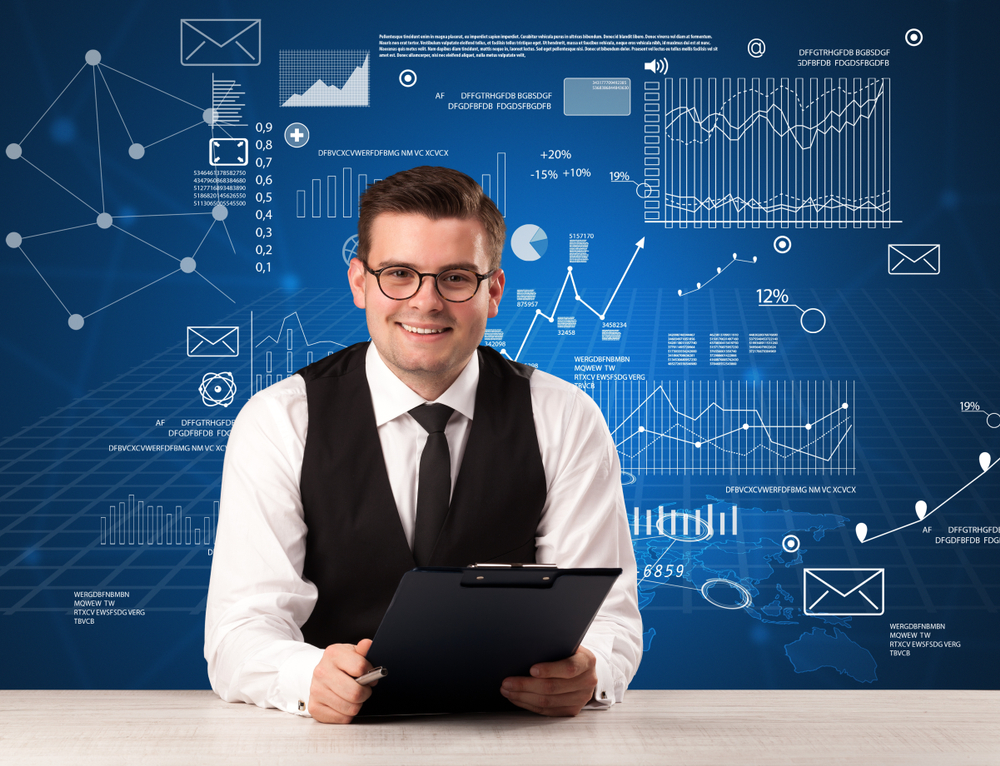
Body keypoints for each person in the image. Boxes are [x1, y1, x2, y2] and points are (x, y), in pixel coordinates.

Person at [204, 166, 642, 723]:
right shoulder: (280, 421)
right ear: (361, 282)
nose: (426, 302)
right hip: (330, 747)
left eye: (456, 277)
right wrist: (304, 676)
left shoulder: (564, 417)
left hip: (518, 742)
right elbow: (239, 628)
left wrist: (590, 670)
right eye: (400, 274)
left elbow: (609, 618)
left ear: (493, 291)